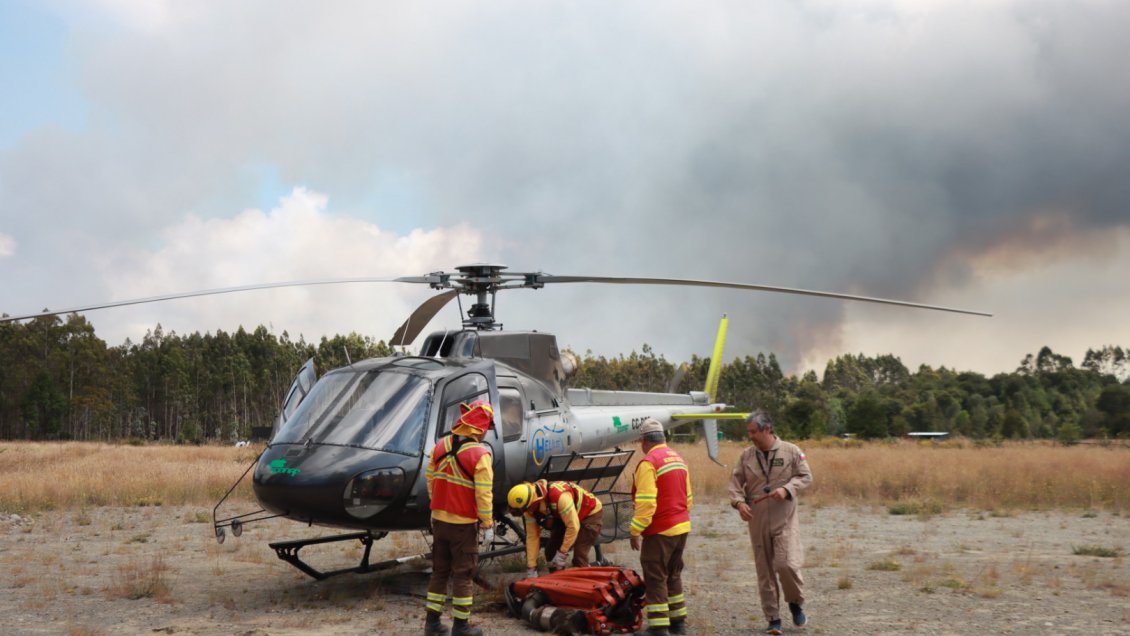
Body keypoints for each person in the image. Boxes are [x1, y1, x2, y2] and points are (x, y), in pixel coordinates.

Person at [727, 410, 813, 635]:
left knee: (786, 565)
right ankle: (773, 618)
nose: (751, 436)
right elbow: (735, 483)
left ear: (767, 429)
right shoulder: (746, 456)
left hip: (783, 519)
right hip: (757, 520)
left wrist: (787, 489)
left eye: (754, 432)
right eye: (749, 432)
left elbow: (805, 477)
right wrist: (738, 503)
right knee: (764, 571)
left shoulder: (791, 451)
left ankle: (795, 603)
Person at [424, 399, 495, 636]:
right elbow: (484, 493)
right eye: (487, 427)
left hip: (439, 522)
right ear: (479, 426)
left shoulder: (440, 445)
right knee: (463, 574)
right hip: (463, 526)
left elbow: (430, 477)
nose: (487, 432)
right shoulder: (480, 454)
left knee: (440, 571)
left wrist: (438, 503)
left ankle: (432, 624)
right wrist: (487, 523)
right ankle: (461, 627)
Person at [629, 418, 693, 636]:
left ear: (644, 441)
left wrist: (635, 529)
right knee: (673, 574)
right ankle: (678, 623)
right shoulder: (678, 458)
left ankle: (658, 627)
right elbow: (689, 497)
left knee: (655, 576)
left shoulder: (649, 462)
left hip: (660, 530)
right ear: (663, 438)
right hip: (681, 526)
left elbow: (646, 502)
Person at [507, 479, 604, 576]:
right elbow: (532, 537)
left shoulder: (560, 497)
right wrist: (531, 567)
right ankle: (557, 582)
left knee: (579, 556)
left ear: (533, 502)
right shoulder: (528, 509)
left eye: (526, 509)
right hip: (566, 518)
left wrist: (562, 553)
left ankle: (588, 585)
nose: (526, 513)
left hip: (590, 513)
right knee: (550, 552)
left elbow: (573, 527)